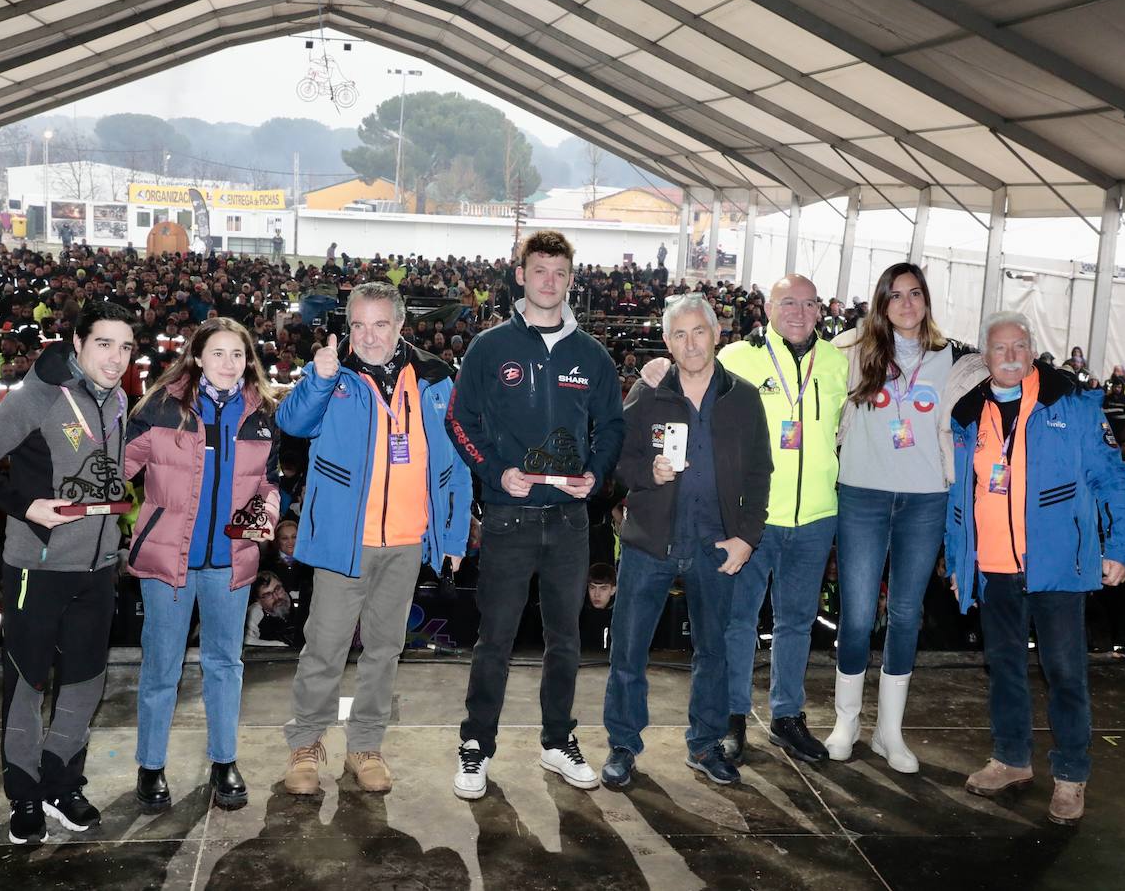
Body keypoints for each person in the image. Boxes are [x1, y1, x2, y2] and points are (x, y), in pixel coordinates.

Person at [446, 230, 624, 800]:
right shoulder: (490, 348)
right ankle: (476, 745)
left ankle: (557, 739)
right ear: (520, 275)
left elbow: (613, 425)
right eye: (540, 270)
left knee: (565, 640)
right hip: (508, 519)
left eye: (560, 272)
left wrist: (595, 473)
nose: (550, 281)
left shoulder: (590, 354)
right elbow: (459, 421)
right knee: (494, 638)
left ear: (572, 279)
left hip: (569, 521)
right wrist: (496, 472)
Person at [645, 273, 849, 764]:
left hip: (817, 515)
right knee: (737, 622)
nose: (798, 312)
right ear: (768, 308)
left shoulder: (839, 364)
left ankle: (786, 716)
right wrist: (654, 370)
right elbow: (680, 367)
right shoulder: (737, 357)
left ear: (819, 311)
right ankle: (733, 715)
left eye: (807, 303)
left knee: (797, 622)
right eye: (787, 302)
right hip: (750, 520)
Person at [0, 301, 136, 845]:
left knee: (84, 681)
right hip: (38, 566)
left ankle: (61, 782)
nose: (115, 357)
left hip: (99, 567)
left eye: (125, 346)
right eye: (104, 343)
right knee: (29, 683)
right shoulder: (37, 393)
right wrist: (24, 506)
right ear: (77, 343)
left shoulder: (119, 397)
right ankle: (25, 793)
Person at [279, 282, 470, 795]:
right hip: (345, 543)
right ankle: (306, 743)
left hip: (408, 541)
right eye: (357, 325)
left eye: (379, 324)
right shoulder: (331, 372)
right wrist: (317, 379)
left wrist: (452, 535)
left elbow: (453, 462)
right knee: (324, 648)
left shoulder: (434, 377)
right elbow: (292, 421)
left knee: (384, 650)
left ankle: (365, 746)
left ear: (400, 325)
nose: (367, 336)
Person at [946, 311, 1125, 825]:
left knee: (1066, 674)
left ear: (1032, 351)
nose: (1010, 355)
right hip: (993, 568)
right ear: (984, 358)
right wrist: (960, 559)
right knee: (1004, 670)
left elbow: (1113, 480)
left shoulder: (1071, 405)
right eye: (999, 348)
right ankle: (1011, 759)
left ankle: (1071, 776)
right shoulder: (967, 415)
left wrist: (1119, 547)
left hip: (1060, 567)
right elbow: (960, 494)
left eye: (1019, 345)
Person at [602, 294, 770, 788]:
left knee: (712, 650)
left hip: (715, 544)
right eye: (679, 334)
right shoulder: (647, 393)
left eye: (699, 332)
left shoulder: (742, 397)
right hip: (649, 542)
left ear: (717, 334)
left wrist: (747, 537)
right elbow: (618, 459)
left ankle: (704, 744)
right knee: (629, 650)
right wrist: (647, 473)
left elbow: (761, 472)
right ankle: (623, 746)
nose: (690, 343)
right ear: (667, 342)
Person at [825, 264, 987, 771]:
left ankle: (889, 732)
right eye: (895, 295)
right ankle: (846, 721)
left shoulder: (953, 358)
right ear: (881, 302)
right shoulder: (854, 349)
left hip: (924, 499)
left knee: (906, 613)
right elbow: (800, 363)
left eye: (915, 294)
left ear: (927, 300)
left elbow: (1012, 369)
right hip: (862, 494)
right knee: (855, 613)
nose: (906, 304)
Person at [124, 316, 281, 813]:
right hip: (168, 562)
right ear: (197, 356)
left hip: (229, 564)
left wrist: (262, 518)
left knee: (225, 665)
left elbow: (270, 484)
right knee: (161, 669)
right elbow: (115, 469)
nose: (229, 363)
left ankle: (224, 761)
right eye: (218, 353)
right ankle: (151, 766)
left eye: (238, 354)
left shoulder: (262, 414)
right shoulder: (159, 407)